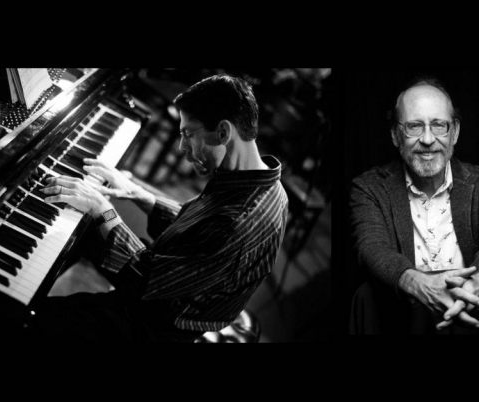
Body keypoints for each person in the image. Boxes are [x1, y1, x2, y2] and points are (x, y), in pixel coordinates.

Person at [23, 74, 289, 342]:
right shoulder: (259, 181)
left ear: (223, 132)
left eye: (188, 134)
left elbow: (147, 280)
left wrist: (104, 210)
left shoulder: (237, 222)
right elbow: (199, 236)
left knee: (30, 318)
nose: (182, 147)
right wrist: (141, 195)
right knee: (78, 226)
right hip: (167, 283)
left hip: (155, 322)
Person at [349, 76, 479, 334]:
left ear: (455, 132)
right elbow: (371, 247)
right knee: (367, 295)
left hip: (472, 308)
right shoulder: (369, 187)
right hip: (402, 316)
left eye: (439, 125)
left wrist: (474, 285)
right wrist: (418, 285)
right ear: (395, 135)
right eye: (414, 126)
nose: (428, 139)